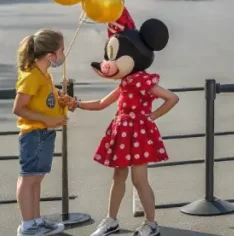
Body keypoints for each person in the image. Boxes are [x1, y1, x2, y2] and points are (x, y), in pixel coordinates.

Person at [71, 18, 178, 236]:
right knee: (119, 175)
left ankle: (151, 222)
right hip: (122, 132)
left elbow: (172, 98)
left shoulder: (142, 81)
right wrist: (77, 104)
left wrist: (152, 116)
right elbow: (102, 103)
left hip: (138, 134)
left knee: (139, 179)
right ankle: (111, 220)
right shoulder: (126, 82)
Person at [12, 29, 71, 236]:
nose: (63, 55)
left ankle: (36, 220)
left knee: (37, 179)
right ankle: (27, 225)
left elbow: (45, 101)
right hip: (34, 134)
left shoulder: (44, 74)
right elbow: (19, 108)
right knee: (28, 179)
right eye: (61, 50)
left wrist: (61, 99)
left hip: (44, 133)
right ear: (50, 55)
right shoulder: (31, 76)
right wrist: (48, 119)